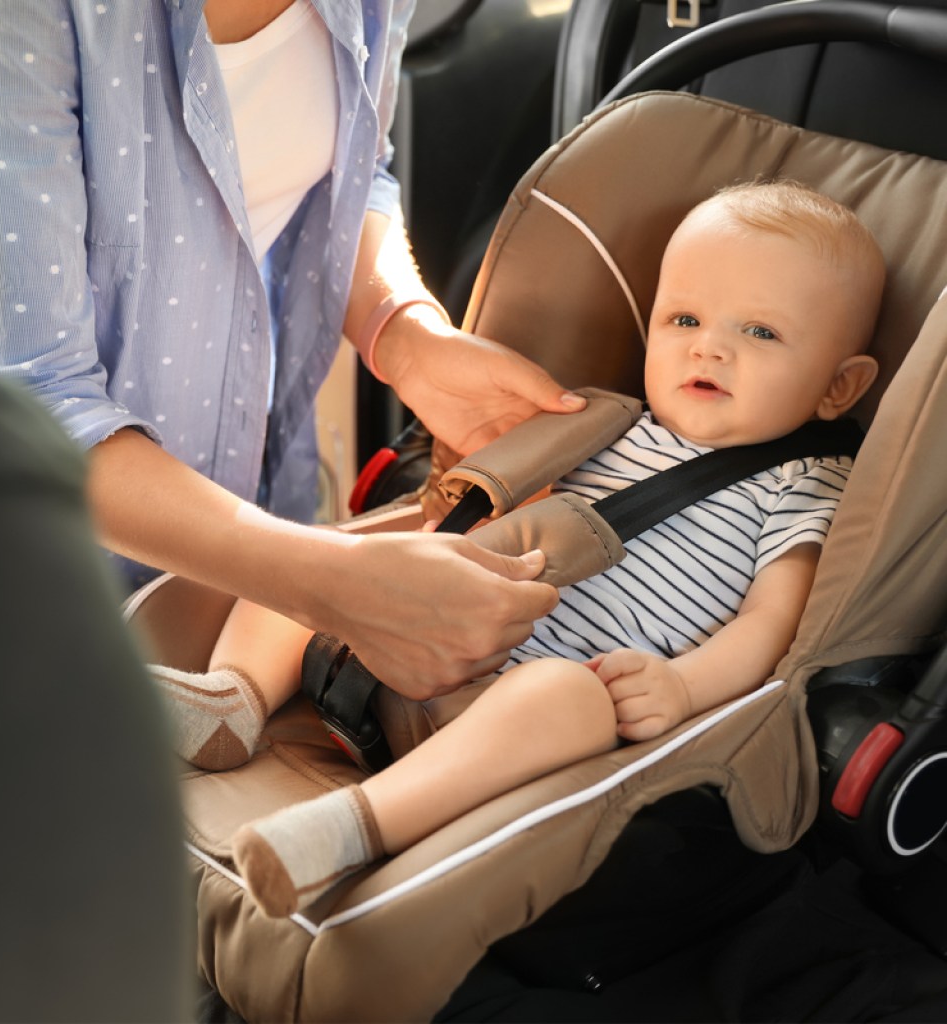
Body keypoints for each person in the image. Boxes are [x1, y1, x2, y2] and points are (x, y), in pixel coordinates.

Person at [149, 179, 884, 916]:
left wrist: (684, 687)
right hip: (413, 625)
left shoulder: (804, 484)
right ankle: (235, 699)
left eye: (760, 332)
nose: (710, 345)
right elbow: (500, 508)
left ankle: (352, 827)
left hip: (509, 711)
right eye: (684, 318)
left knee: (572, 699)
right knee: (315, 560)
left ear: (838, 387)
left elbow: (773, 625)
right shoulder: (605, 423)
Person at [0, 1, 585, 700]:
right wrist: (326, 581)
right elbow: (32, 409)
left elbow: (354, 177)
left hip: (254, 517)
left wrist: (408, 336)